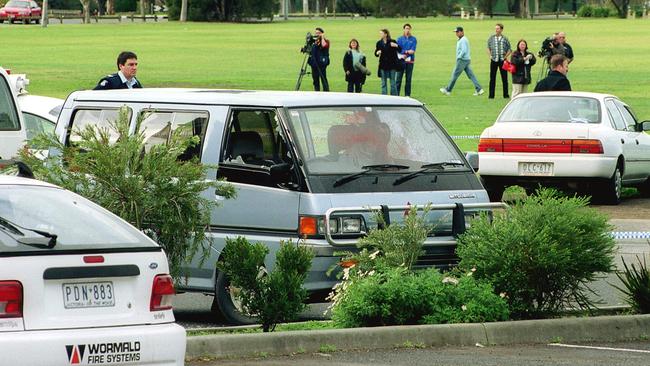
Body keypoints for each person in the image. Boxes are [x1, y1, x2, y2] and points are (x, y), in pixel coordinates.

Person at [440, 26, 484, 96]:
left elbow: (463, 50)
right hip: (466, 60)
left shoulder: (463, 40)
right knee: (471, 75)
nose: (456, 34)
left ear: (462, 32)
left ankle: (448, 90)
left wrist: (459, 57)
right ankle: (479, 89)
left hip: (462, 60)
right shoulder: (462, 39)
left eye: (458, 32)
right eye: (456, 32)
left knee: (454, 75)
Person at [486, 23, 511, 99]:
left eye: (498, 28)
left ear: (501, 29)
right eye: (495, 28)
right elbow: (488, 47)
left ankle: (505, 95)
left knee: (504, 78)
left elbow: (509, 49)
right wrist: (490, 55)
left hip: (502, 61)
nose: (496, 30)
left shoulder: (505, 39)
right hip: (494, 60)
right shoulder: (491, 38)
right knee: (492, 78)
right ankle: (491, 95)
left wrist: (505, 57)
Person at [375, 29, 402, 96]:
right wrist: (377, 53)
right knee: (383, 82)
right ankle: (384, 96)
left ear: (386, 34)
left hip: (392, 64)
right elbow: (376, 53)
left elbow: (400, 50)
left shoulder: (392, 41)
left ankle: (394, 96)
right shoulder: (379, 43)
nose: (380, 35)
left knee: (392, 82)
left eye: (381, 33)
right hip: (383, 65)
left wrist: (396, 45)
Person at [396, 23, 417, 97]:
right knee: (398, 79)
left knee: (408, 79)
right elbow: (398, 49)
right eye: (406, 28)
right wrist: (406, 52)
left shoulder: (413, 39)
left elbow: (412, 50)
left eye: (409, 28)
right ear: (404, 29)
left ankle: (407, 95)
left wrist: (405, 52)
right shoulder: (399, 39)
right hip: (401, 60)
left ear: (410, 29)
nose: (407, 30)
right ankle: (396, 94)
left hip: (410, 61)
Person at [308, 27, 330, 92]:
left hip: (322, 63)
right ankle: (316, 91)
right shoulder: (314, 41)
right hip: (314, 62)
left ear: (322, 33)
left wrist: (322, 37)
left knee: (323, 78)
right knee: (315, 78)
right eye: (316, 33)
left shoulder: (326, 41)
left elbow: (324, 45)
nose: (317, 34)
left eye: (319, 33)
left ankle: (326, 91)